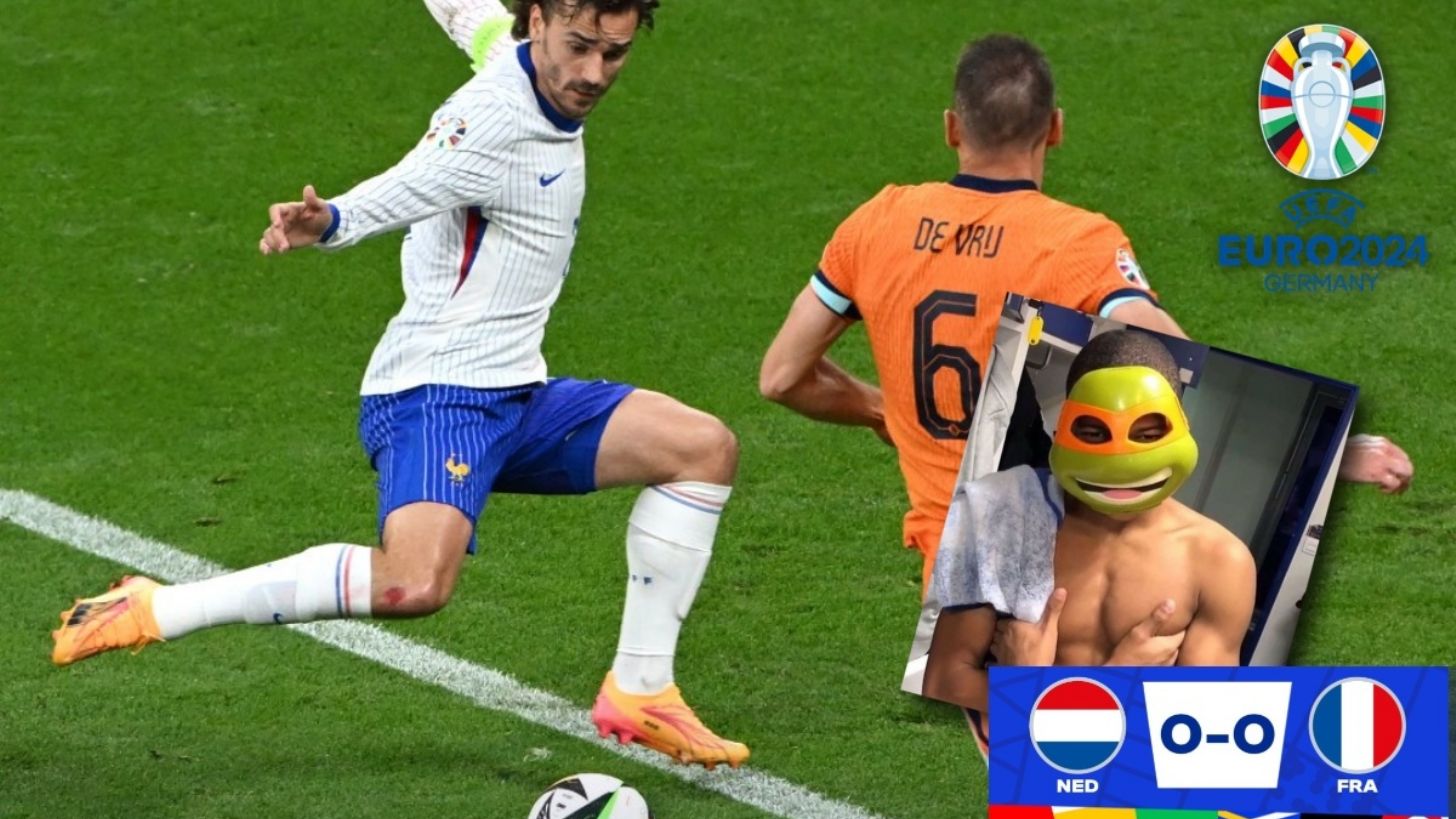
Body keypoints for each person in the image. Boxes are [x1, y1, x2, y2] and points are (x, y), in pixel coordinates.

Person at [51, 0, 751, 771]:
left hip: (516, 390)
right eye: (580, 46)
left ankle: (641, 689)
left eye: (613, 53)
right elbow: (411, 183)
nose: (593, 73)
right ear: (540, 21)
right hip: (437, 393)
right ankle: (156, 605)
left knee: (701, 449)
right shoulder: (491, 120)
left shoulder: (518, 52)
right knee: (414, 583)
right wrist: (331, 220)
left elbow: (470, 19)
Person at [759, 34, 1412, 594]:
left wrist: (885, 412)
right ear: (1056, 128)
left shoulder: (875, 225)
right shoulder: (1076, 244)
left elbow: (782, 376)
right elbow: (1174, 360)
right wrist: (1331, 452)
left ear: (952, 128)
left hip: (959, 582)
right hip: (1066, 567)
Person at [920, 330, 1256, 751]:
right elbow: (943, 679)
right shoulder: (1003, 515)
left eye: (1147, 434)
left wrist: (1037, 686)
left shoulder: (1221, 561)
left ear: (1181, 426)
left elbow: (1205, 729)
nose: (1121, 463)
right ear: (1064, 428)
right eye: (1094, 433)